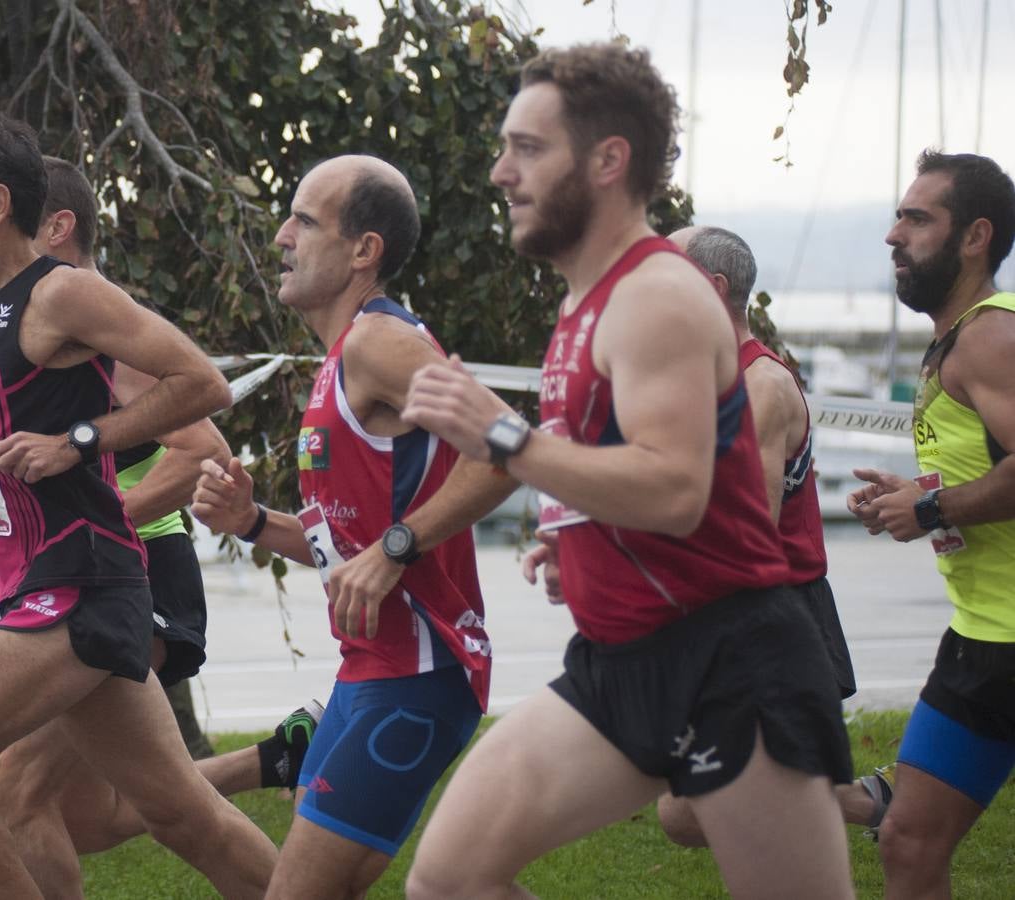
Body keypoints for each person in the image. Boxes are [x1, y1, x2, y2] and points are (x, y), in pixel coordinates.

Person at [400, 44, 854, 899]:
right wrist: (577, 531)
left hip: (731, 664)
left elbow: (677, 492)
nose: (501, 172)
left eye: (528, 148)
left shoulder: (658, 296)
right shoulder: (585, 299)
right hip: (619, 660)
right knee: (448, 880)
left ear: (609, 159)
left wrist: (502, 435)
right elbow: (629, 464)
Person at [0, 109, 276, 899]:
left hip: (77, 588)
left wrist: (80, 440)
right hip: (45, 584)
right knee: (182, 813)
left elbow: (202, 385)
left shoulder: (62, 295)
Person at [0, 156, 321, 897]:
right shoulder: (40, 324)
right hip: (89, 581)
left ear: (58, 228)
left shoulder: (90, 315)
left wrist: (97, 517)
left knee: (11, 788)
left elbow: (205, 451)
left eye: (16, 230)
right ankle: (281, 758)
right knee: (102, 817)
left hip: (135, 575)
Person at [191, 154, 505, 900]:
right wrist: (254, 521)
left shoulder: (377, 344)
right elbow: (349, 552)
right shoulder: (339, 361)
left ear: (365, 251)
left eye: (303, 220)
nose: (281, 239)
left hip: (419, 675)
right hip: (369, 669)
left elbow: (505, 449)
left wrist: (399, 548)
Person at [652, 225, 882, 846]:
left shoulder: (760, 386)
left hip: (772, 614)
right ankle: (874, 806)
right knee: (695, 809)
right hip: (738, 611)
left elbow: (744, 533)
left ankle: (874, 806)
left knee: (697, 808)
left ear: (710, 287)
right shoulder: (711, 377)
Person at [848, 150, 1015, 898]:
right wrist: (915, 493)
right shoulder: (959, 339)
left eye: (918, 219)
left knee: (909, 840)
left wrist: (931, 507)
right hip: (986, 639)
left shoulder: (991, 337)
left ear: (975, 236)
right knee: (908, 841)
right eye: (898, 215)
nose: (894, 235)